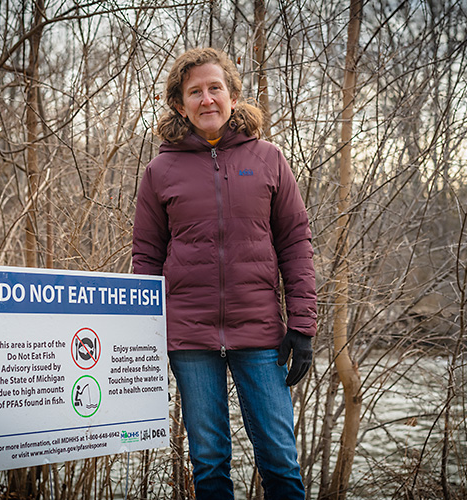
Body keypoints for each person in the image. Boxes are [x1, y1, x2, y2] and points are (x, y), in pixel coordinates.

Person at [132, 47, 317, 499]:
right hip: (188, 337)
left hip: (259, 333)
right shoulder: (160, 171)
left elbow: (295, 242)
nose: (207, 99)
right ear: (180, 104)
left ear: (233, 95)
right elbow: (146, 257)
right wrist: (143, 336)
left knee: (279, 458)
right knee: (209, 461)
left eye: (215, 88)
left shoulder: (270, 158)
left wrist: (303, 326)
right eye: (195, 92)